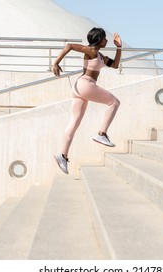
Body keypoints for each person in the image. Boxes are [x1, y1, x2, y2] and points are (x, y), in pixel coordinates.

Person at [53, 27, 122, 174]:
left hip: (80, 88)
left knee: (74, 123)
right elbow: (69, 46)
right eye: (105, 38)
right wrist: (56, 63)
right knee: (114, 102)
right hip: (85, 84)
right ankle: (101, 134)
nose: (107, 40)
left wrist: (119, 47)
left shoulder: (101, 56)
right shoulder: (91, 51)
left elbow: (115, 65)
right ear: (98, 39)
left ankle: (62, 155)